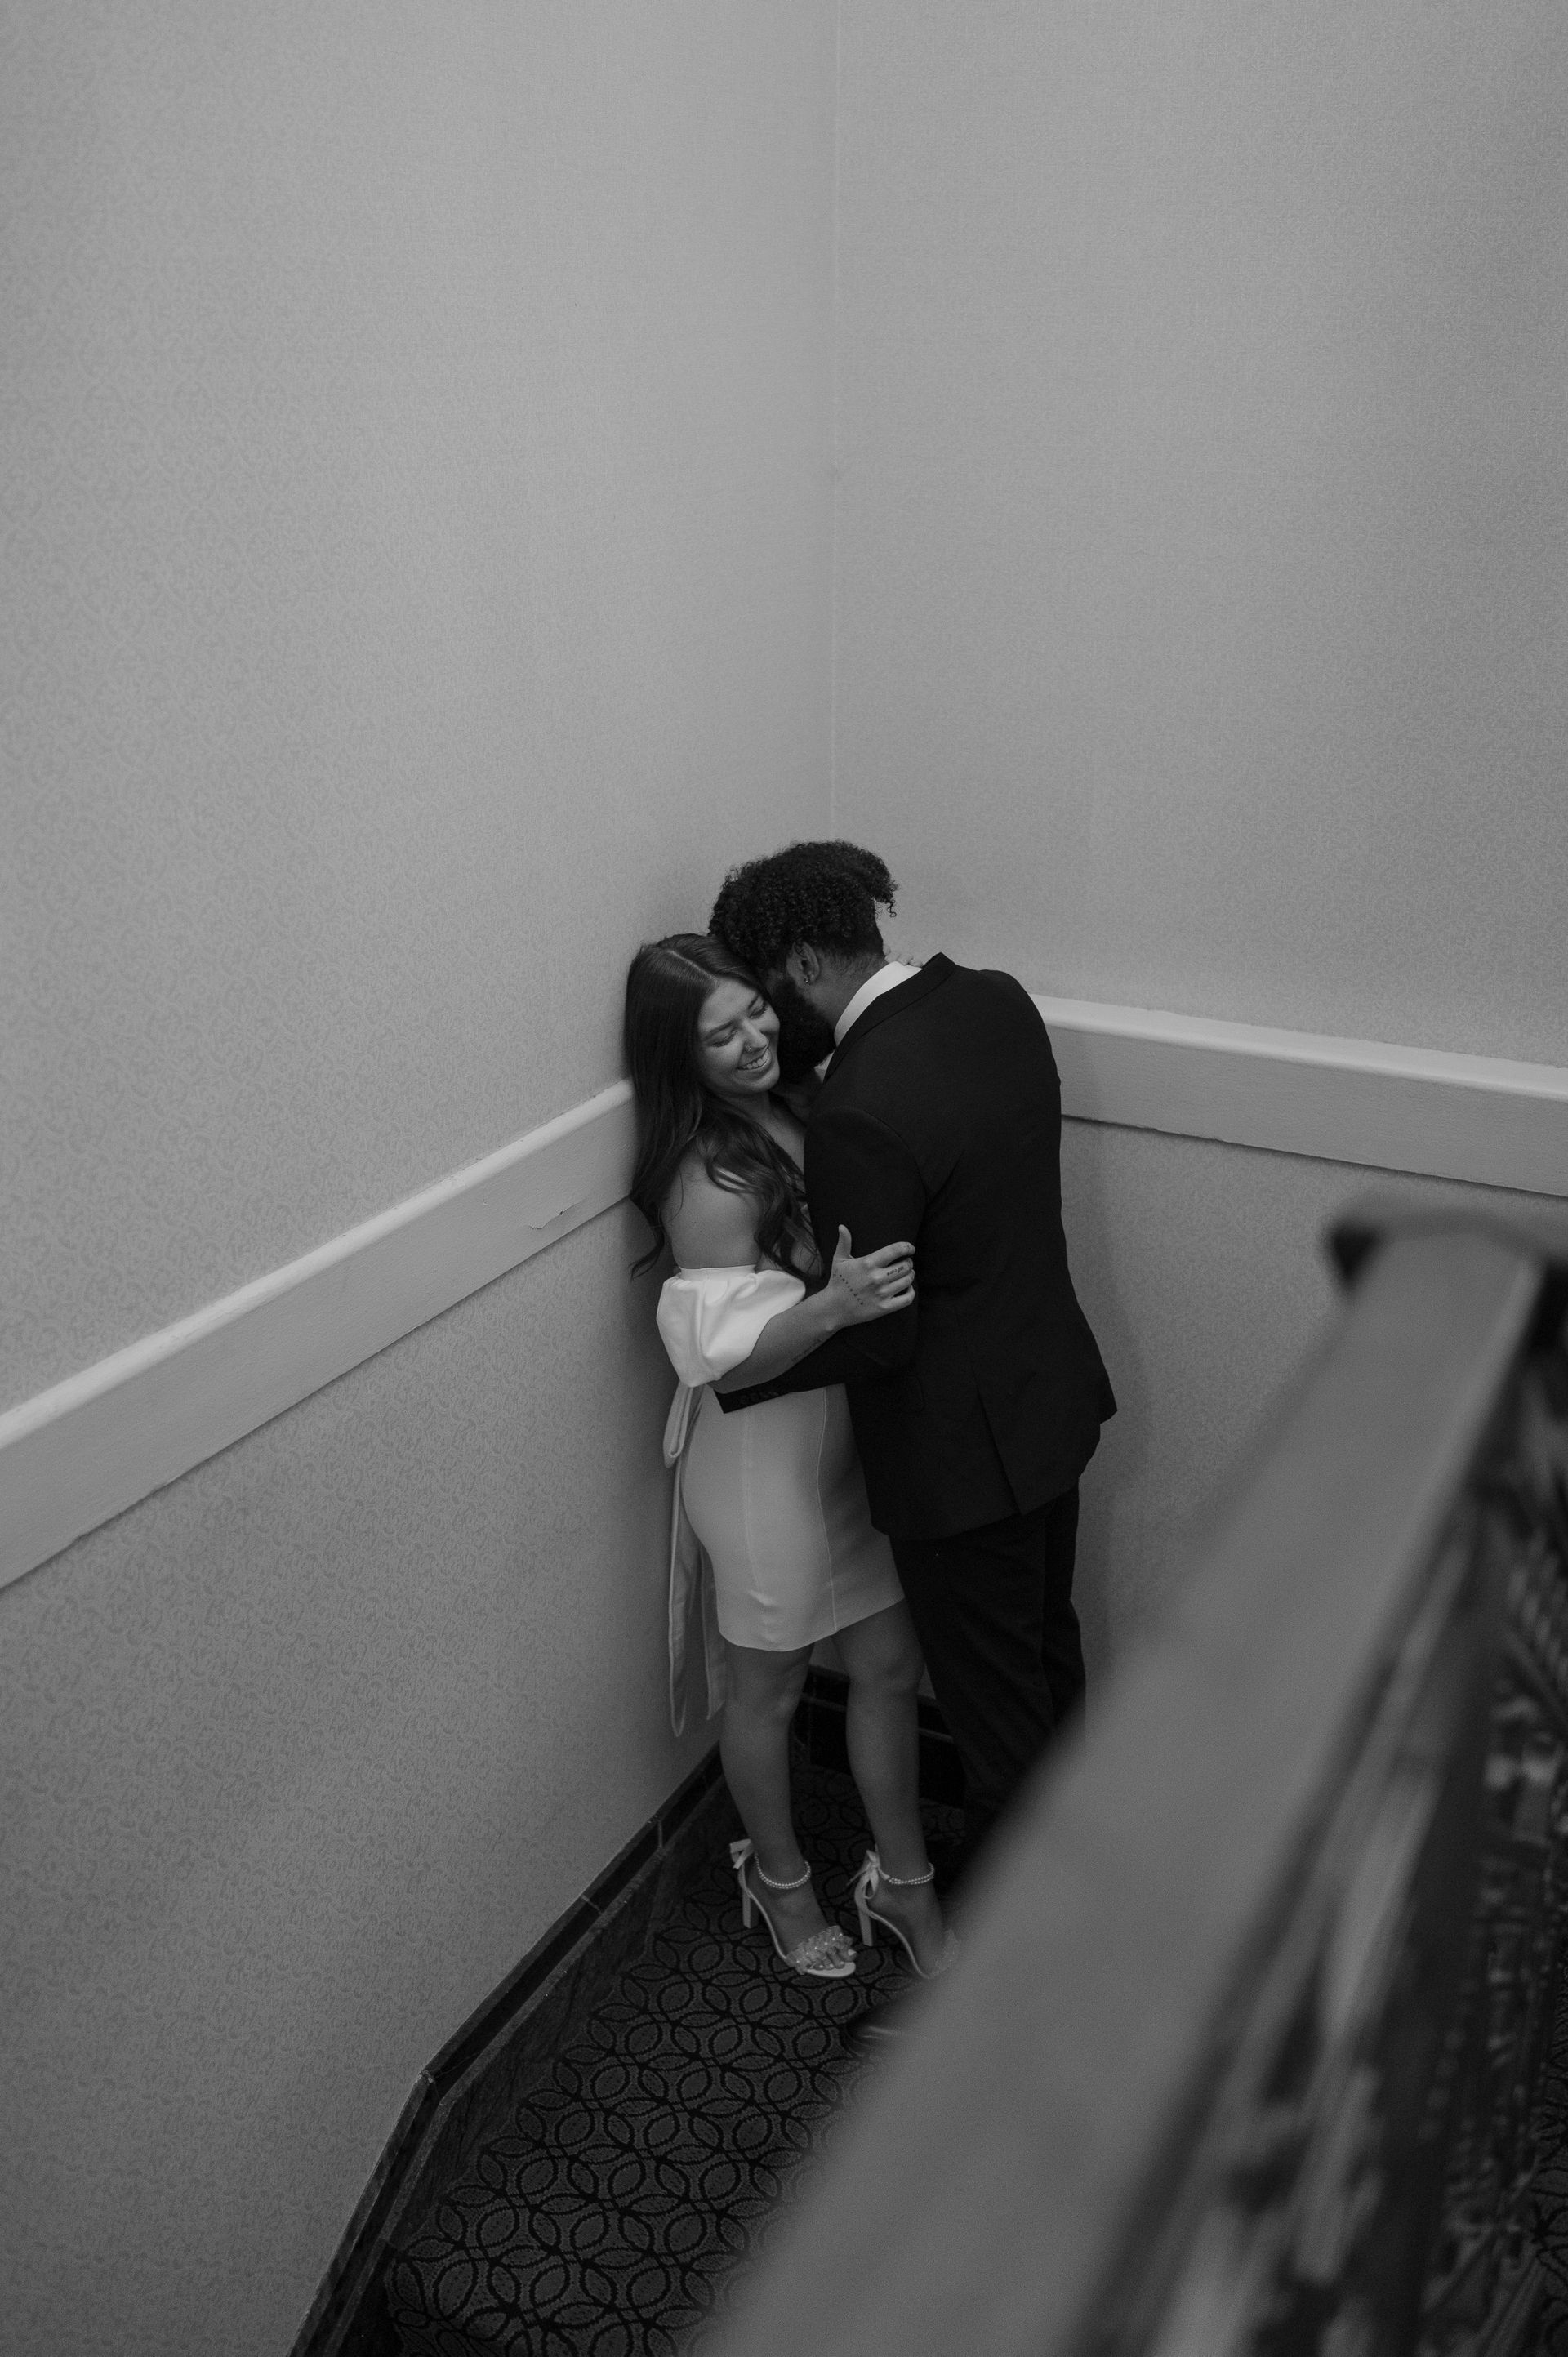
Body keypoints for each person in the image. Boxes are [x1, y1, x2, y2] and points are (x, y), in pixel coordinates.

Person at [708, 840, 1116, 1891]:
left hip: (960, 1462)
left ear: (800, 963)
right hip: (1049, 1399)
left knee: (995, 1721)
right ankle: (1078, 1874)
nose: (762, 1016)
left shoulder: (861, 1108)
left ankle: (1016, 1961)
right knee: (1047, 1658)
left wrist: (739, 1370)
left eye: (763, 988)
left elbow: (878, 1330)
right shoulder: (995, 1002)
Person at [623, 933, 958, 1984]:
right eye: (719, 1035)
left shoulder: (805, 1105)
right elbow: (726, 1364)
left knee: (891, 1666)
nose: (753, 1038)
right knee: (766, 1693)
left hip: (849, 1454)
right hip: (761, 1477)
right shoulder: (705, 1178)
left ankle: (902, 1881)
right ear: (680, 1057)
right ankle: (778, 1879)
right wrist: (840, 1305)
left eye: (752, 1012)